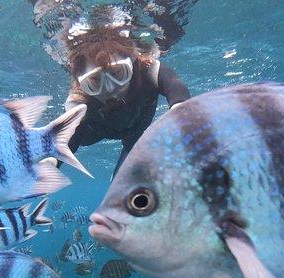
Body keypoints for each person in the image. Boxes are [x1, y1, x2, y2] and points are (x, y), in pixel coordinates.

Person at [63, 26, 190, 176]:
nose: (110, 88)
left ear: (133, 61)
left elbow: (175, 89)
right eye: (95, 81)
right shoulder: (80, 103)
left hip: (136, 129)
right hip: (96, 130)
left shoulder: (148, 71)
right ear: (82, 84)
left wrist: (181, 112)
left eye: (117, 73)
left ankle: (129, 153)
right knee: (78, 131)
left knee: (134, 143)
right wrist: (51, 162)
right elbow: (66, 143)